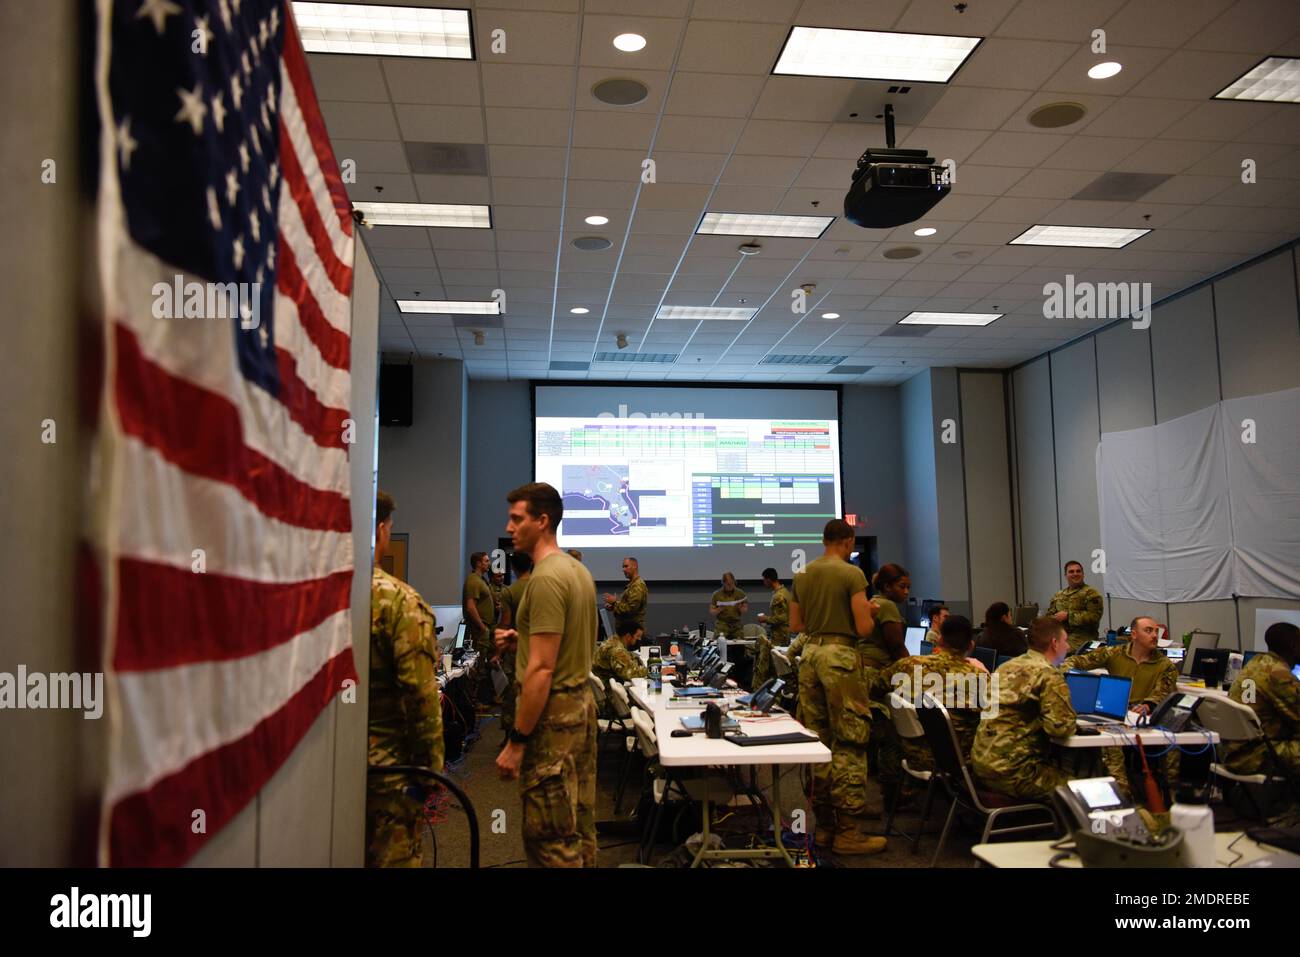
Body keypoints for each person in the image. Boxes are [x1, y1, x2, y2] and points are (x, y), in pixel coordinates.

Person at [494, 482, 598, 867]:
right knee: (579, 827)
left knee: (550, 839)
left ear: (542, 521)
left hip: (552, 717)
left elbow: (542, 668)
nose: (509, 527)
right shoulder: (576, 571)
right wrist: (522, 639)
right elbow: (563, 642)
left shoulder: (545, 580)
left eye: (517, 519)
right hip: (580, 709)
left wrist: (517, 741)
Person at [790, 519, 885, 855]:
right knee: (850, 740)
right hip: (840, 657)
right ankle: (848, 831)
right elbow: (862, 628)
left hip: (810, 655)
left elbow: (795, 624)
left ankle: (825, 828)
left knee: (819, 742)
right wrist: (870, 611)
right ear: (847, 541)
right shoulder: (851, 573)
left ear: (822, 540)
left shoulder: (802, 574)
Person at [367, 492, 444, 867]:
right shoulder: (398, 602)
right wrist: (430, 773)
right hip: (388, 775)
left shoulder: (309, 597)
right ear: (381, 529)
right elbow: (421, 698)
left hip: (318, 769)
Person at [1063, 615, 1180, 799]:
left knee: (1173, 741)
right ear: (1134, 634)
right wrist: (1072, 675)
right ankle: (1122, 794)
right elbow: (1076, 661)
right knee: (1111, 744)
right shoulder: (1115, 653)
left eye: (1156, 631)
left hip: (1143, 717)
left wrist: (1148, 705)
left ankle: (1170, 796)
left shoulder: (1165, 665)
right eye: (1148, 630)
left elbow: (1161, 692)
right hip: (1115, 713)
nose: (1154, 635)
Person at [971, 617, 1077, 801]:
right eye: (1065, 641)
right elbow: (1060, 728)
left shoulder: (1006, 666)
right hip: (1017, 772)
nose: (1067, 647)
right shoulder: (1049, 674)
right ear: (1054, 643)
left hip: (982, 764)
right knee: (1084, 789)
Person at [878, 615, 984, 773]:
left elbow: (877, 686)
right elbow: (994, 718)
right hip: (957, 762)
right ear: (970, 646)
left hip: (912, 757)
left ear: (940, 641)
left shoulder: (906, 666)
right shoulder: (977, 677)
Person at [1226, 622, 1300, 780]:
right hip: (1257, 755)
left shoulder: (1255, 664)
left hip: (1234, 751)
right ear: (1294, 646)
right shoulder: (1278, 674)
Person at [496, 552, 533, 740]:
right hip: (536, 649)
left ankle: (511, 735)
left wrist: (497, 652)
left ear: (513, 567)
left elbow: (505, 622)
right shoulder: (540, 587)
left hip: (515, 650)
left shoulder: (509, 592)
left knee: (511, 694)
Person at [1046, 560, 1104, 654]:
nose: (1075, 574)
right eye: (1071, 571)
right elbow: (1049, 616)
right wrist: (1053, 619)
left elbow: (1094, 616)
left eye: (1078, 571)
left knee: (1055, 652)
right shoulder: (1059, 595)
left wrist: (1068, 616)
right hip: (1060, 635)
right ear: (1066, 575)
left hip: (1082, 638)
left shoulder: (1091, 593)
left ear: (1083, 574)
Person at [863, 564, 910, 668]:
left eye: (908, 588)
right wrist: (913, 668)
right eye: (902, 587)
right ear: (887, 587)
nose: (906, 592)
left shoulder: (873, 602)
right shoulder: (887, 605)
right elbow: (897, 647)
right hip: (879, 666)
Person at [753, 567, 790, 688]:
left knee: (776, 668)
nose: (763, 583)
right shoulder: (786, 592)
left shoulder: (778, 597)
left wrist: (765, 619)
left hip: (780, 636)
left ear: (769, 580)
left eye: (764, 580)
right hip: (786, 634)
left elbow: (782, 618)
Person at [603, 557, 648, 637]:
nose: (623, 569)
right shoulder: (632, 585)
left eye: (626, 566)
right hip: (628, 633)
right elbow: (626, 607)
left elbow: (630, 610)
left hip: (633, 635)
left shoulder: (637, 586)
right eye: (623, 567)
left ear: (635, 566)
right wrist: (613, 606)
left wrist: (614, 602)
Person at [709, 572, 748, 640]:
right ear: (723, 583)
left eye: (732, 583)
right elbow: (712, 612)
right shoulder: (717, 594)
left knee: (740, 644)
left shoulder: (740, 593)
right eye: (728, 584)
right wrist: (720, 608)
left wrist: (739, 607)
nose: (731, 586)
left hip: (736, 624)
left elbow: (745, 611)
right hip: (722, 624)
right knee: (719, 644)